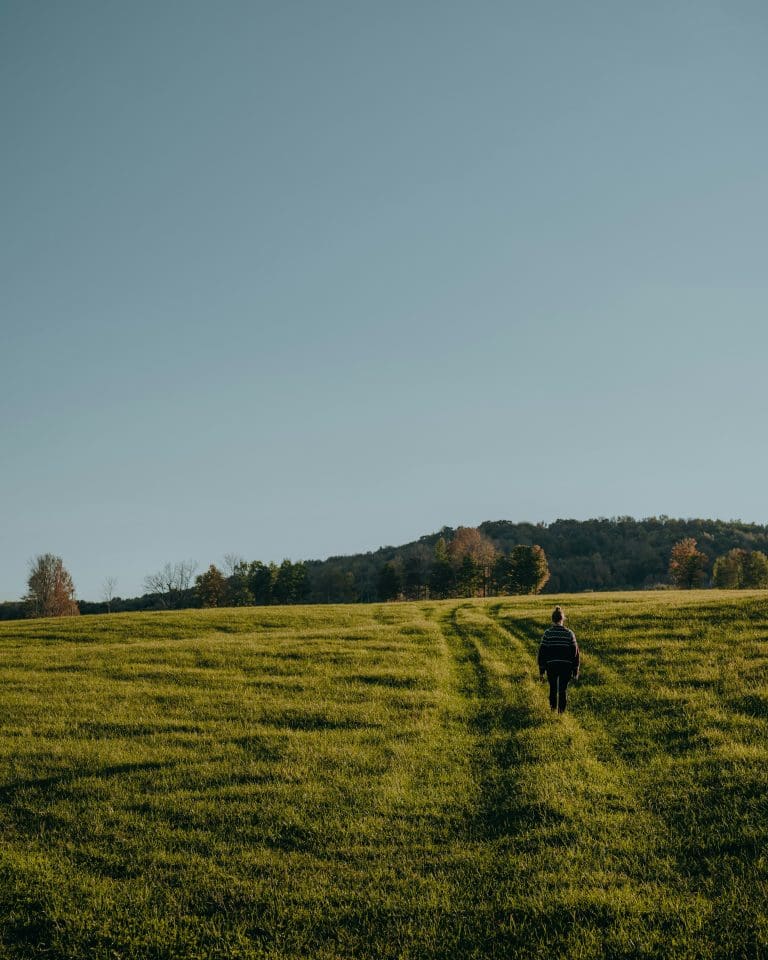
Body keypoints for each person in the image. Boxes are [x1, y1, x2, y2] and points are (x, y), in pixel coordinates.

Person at [538, 605, 580, 714]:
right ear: (562, 619)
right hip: (566, 666)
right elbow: (575, 653)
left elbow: (542, 652)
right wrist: (575, 670)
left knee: (553, 689)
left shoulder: (547, 633)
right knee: (562, 690)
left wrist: (542, 671)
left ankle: (552, 711)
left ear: (552, 619)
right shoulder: (569, 633)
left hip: (551, 665)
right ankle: (561, 714)